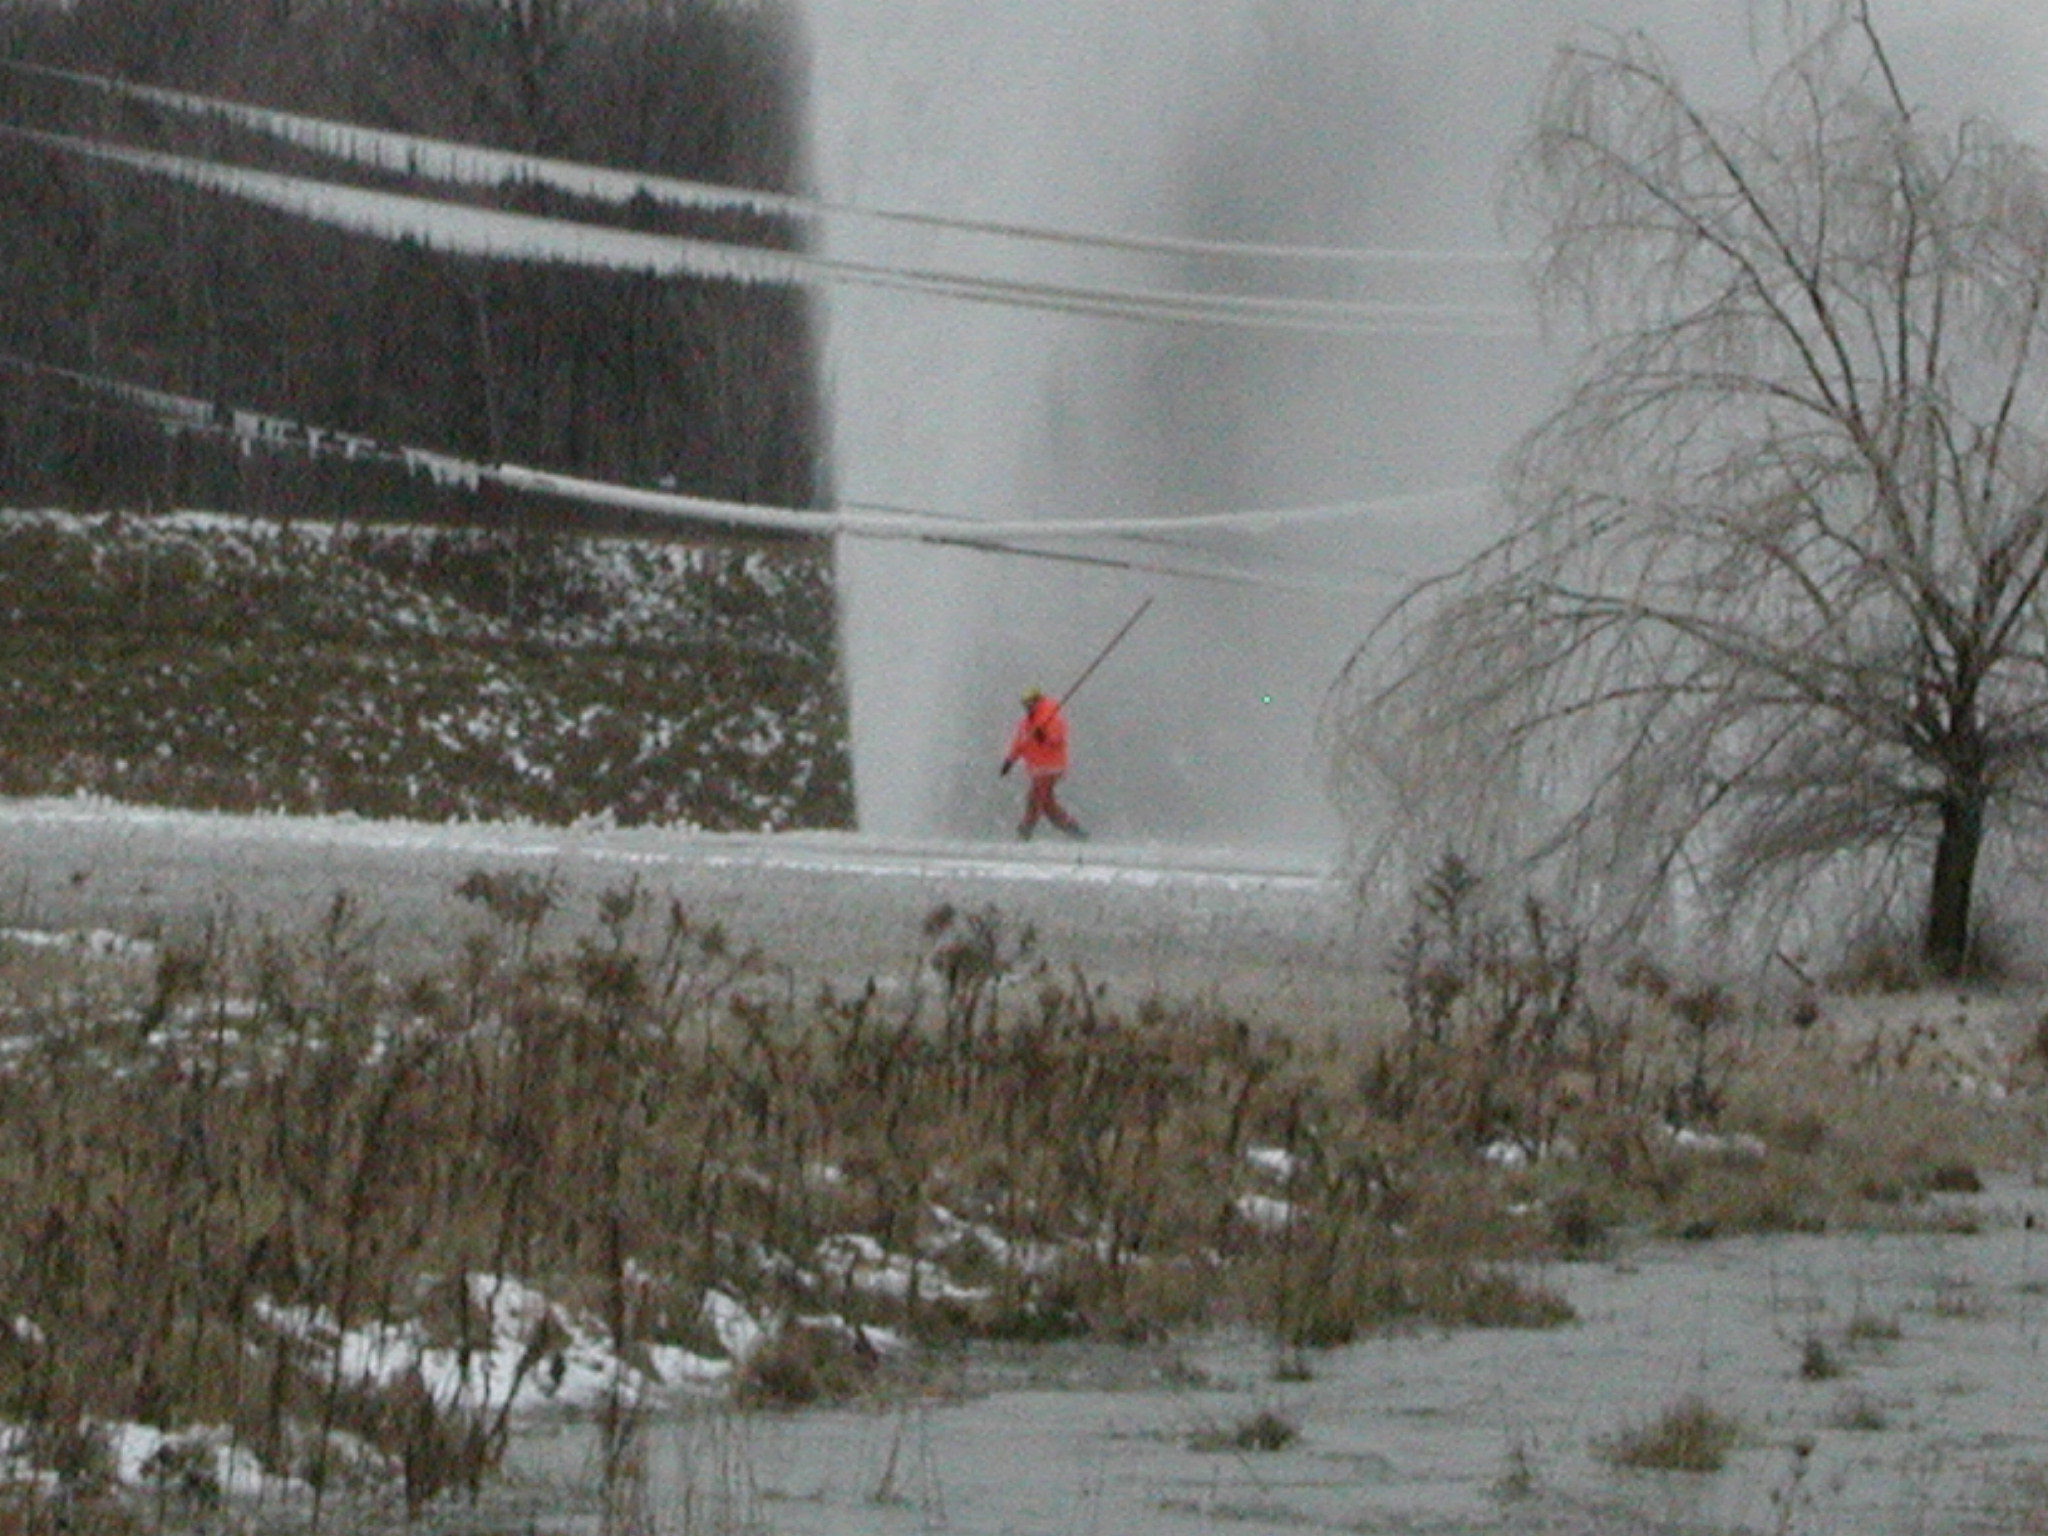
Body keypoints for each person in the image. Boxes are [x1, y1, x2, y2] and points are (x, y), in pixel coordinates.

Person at [1000, 687, 1086, 840]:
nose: (1027, 706)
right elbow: (1020, 743)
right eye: (1025, 703)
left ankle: (1025, 830)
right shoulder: (1026, 723)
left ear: (1037, 700)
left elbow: (1057, 739)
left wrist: (1044, 737)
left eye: (1030, 702)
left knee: (1035, 797)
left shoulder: (1051, 717)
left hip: (1051, 767)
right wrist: (1010, 760)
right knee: (1046, 804)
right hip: (1037, 768)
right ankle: (1073, 829)